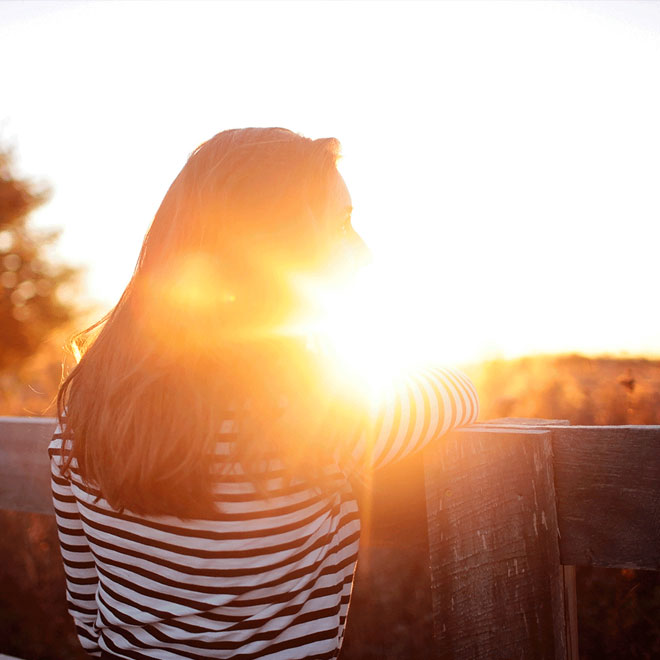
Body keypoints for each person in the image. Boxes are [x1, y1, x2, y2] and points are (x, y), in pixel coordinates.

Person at [49, 127, 479, 660]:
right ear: (277, 247)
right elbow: (459, 391)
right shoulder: (315, 414)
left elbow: (86, 606)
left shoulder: (84, 407)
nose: (364, 252)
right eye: (343, 224)